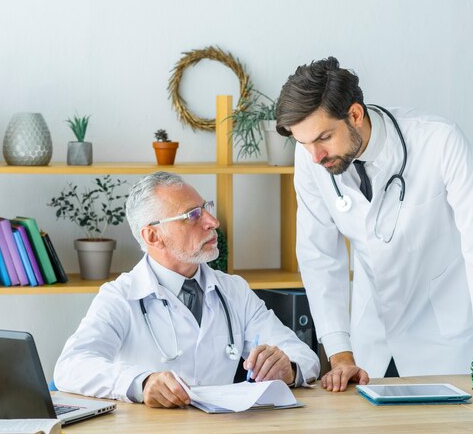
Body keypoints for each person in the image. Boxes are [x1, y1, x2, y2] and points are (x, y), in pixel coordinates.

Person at [275, 56, 473, 392]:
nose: (315, 156)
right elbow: (319, 256)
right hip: (369, 339)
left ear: (355, 115)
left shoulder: (439, 141)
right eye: (304, 143)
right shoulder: (311, 158)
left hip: (444, 339)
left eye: (324, 138)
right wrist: (340, 352)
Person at [54, 172, 320, 408]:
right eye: (192, 215)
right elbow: (70, 367)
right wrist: (141, 383)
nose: (212, 221)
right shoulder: (121, 296)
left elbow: (305, 356)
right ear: (153, 236)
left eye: (206, 208)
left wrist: (289, 367)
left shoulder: (234, 291)